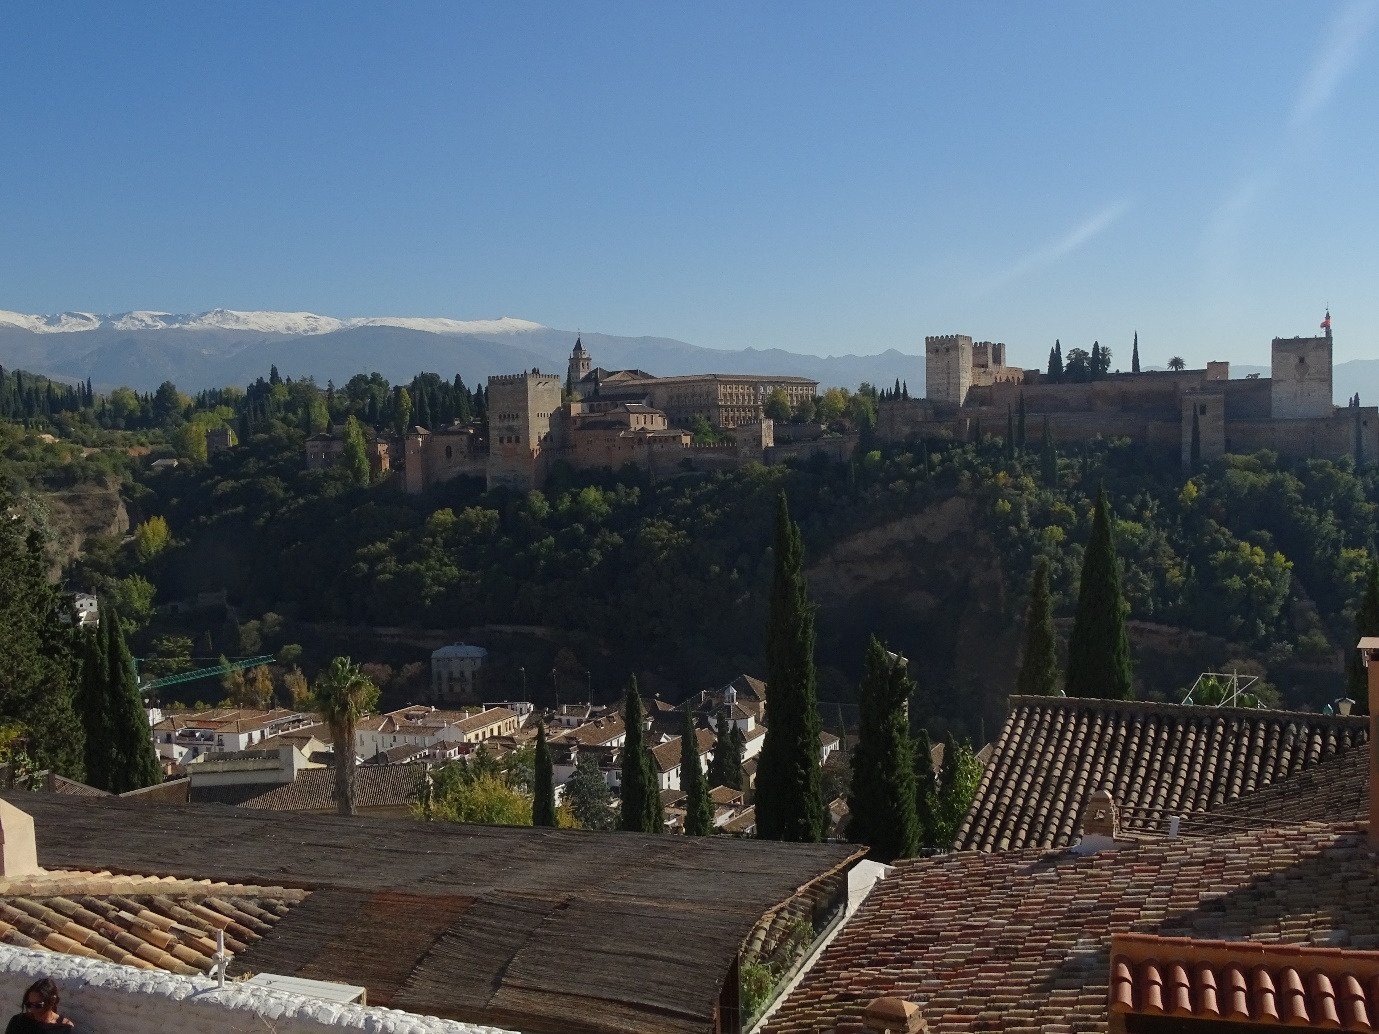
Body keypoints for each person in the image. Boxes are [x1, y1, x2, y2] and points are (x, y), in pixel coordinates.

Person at [6, 979, 74, 1032]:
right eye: (29, 1004)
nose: (32, 1010)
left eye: (38, 1005)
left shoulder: (64, 1027)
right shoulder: (18, 1022)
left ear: (52, 1001)